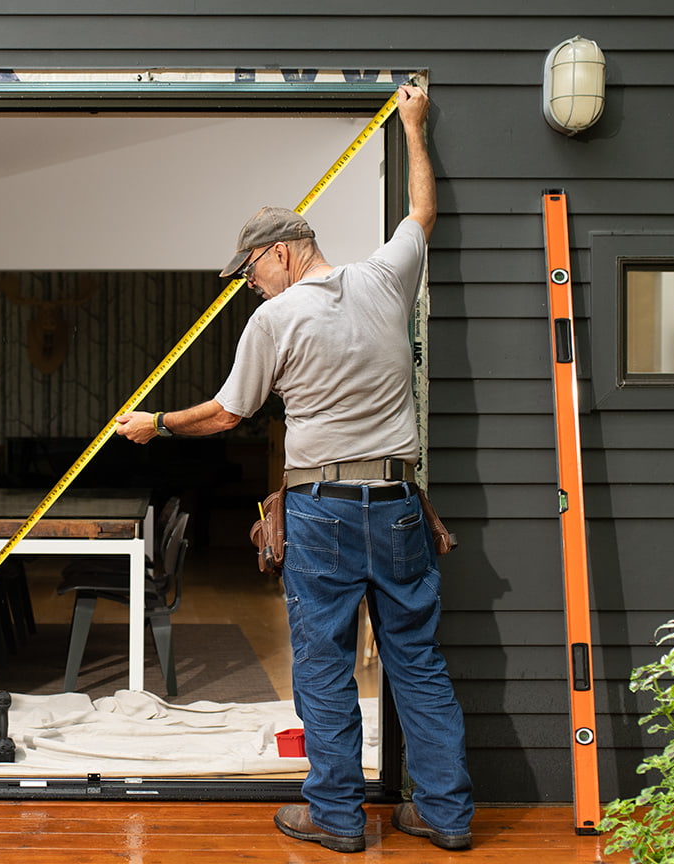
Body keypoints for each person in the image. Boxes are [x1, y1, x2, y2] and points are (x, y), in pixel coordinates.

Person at [115, 84, 473, 853]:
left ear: (280, 252)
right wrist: (414, 125)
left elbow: (226, 415)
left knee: (322, 667)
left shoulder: (273, 317)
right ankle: (445, 817)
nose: (249, 284)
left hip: (325, 514)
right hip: (400, 504)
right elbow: (422, 215)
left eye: (249, 270)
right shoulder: (385, 281)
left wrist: (157, 424)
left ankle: (339, 821)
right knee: (417, 663)